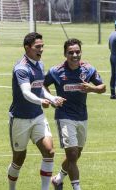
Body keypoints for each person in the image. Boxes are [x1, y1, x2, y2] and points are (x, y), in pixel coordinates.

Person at [44, 38, 106, 190]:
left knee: (76, 155)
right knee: (72, 155)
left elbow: (103, 87)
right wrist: (52, 99)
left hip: (82, 117)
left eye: (77, 52)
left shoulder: (88, 69)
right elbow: (43, 85)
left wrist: (91, 88)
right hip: (64, 116)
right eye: (71, 52)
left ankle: (58, 179)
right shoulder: (56, 71)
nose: (75, 55)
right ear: (65, 54)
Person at [7, 32, 66, 190]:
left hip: (38, 116)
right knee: (19, 159)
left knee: (49, 151)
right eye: (37, 47)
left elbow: (40, 89)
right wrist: (42, 101)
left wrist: (52, 98)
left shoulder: (40, 64)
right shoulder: (21, 68)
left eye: (42, 46)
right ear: (27, 47)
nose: (41, 50)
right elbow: (26, 93)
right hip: (20, 119)